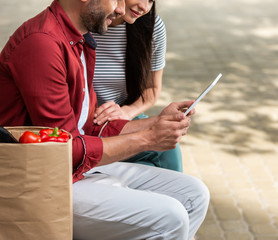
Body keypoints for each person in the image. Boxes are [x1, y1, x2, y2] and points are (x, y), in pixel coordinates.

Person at [0, 0, 209, 239]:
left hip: (77, 169)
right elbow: (63, 152)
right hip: (44, 182)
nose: (120, 10)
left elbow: (87, 127)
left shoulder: (79, 39)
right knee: (170, 216)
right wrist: (148, 138)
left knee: (194, 194)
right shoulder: (42, 43)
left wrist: (156, 122)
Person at [92, 0, 184, 171]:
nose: (144, 7)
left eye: (151, 0)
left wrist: (126, 112)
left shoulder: (151, 27)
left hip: (120, 116)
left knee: (167, 146)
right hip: (82, 119)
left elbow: (152, 89)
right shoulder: (85, 21)